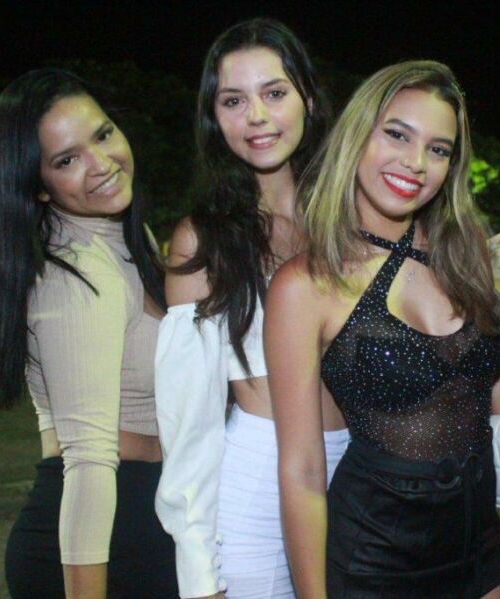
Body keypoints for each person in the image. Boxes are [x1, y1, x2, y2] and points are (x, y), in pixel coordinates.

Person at [266, 60, 500, 598]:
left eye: (438, 149)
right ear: (358, 135)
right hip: (374, 559)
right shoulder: (305, 285)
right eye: (397, 135)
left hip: (480, 548)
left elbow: (497, 395)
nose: (416, 162)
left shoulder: (463, 253)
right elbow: (302, 469)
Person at [153, 19, 343, 599]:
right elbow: (189, 419)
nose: (257, 116)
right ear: (215, 119)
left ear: (309, 99)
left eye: (274, 92)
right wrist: (198, 571)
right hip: (255, 487)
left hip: (363, 475)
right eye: (234, 100)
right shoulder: (202, 240)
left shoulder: (351, 222)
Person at [0, 68, 176, 598]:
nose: (102, 163)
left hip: (139, 519)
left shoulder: (128, 238)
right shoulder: (76, 273)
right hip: (94, 540)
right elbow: (89, 462)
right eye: (67, 160)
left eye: (103, 134)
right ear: (38, 187)